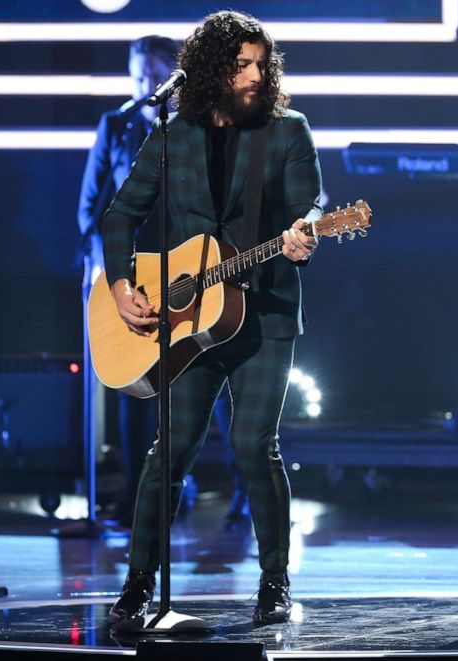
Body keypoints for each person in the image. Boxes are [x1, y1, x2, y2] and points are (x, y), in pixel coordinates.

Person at [103, 10, 322, 625]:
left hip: (264, 314)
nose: (254, 75)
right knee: (167, 452)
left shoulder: (287, 130)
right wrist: (122, 285)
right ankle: (140, 583)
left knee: (255, 446)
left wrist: (306, 231)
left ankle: (275, 581)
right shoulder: (174, 131)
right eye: (241, 64)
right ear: (209, 70)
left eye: (261, 64)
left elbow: (311, 203)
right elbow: (121, 215)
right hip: (185, 320)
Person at [77, 35, 177, 527]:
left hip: (183, 272)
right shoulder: (115, 126)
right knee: (134, 389)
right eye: (138, 73)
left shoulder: (189, 128)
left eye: (154, 73)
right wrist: (113, 276)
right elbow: (91, 210)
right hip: (128, 280)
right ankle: (134, 496)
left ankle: (216, 495)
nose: (145, 83)